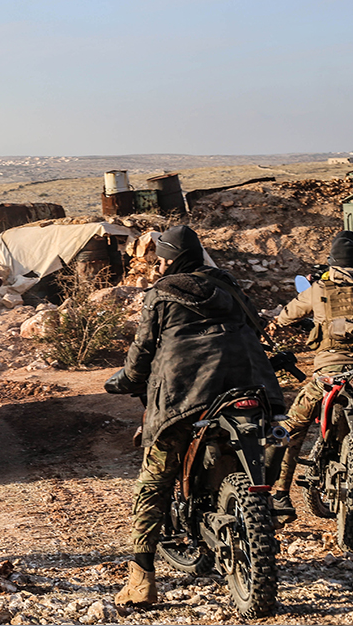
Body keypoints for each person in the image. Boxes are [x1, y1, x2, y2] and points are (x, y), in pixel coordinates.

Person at [105, 225, 282, 606]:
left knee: (153, 481)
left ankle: (142, 579)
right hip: (248, 387)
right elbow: (258, 327)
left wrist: (123, 380)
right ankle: (267, 513)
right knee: (263, 447)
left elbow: (141, 356)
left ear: (168, 258)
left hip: (185, 396)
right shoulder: (229, 287)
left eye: (161, 258)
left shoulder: (161, 294)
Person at [269, 230, 353, 521]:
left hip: (330, 374)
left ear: (332, 262)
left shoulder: (318, 288)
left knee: (293, 426)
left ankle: (279, 495)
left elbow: (289, 314)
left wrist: (278, 322)